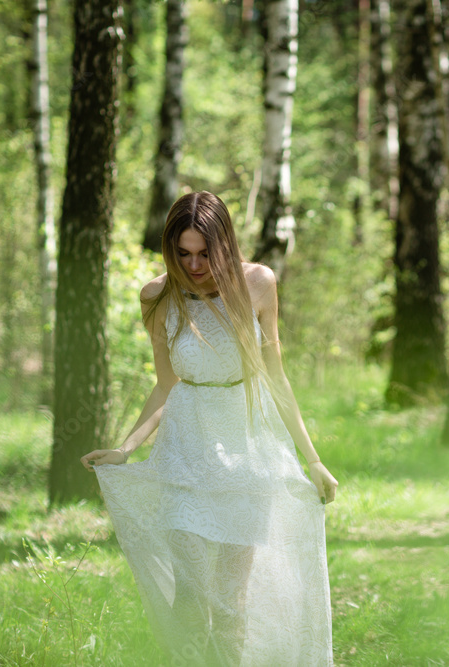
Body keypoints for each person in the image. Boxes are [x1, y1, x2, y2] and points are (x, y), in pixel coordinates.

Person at [80, 191, 338, 666]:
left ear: (224, 244)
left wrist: (314, 460)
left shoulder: (258, 283)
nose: (194, 264)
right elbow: (165, 385)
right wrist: (125, 447)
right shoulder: (157, 296)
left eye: (205, 253)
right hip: (185, 452)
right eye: (183, 253)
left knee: (230, 603)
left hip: (247, 453)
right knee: (192, 598)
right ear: (170, 249)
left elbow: (277, 378)